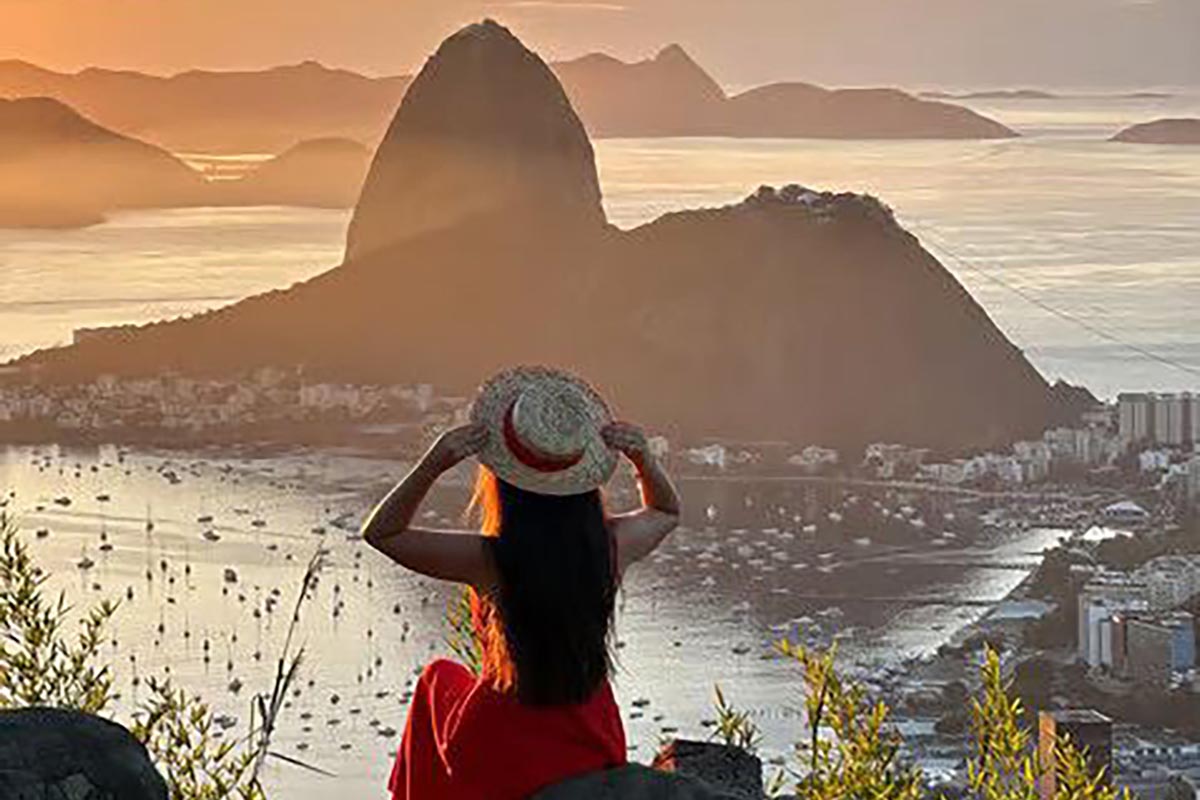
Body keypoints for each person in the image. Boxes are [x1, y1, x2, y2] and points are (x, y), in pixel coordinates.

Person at [362, 365, 681, 800]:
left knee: (438, 678)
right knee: (442, 680)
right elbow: (666, 511)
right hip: (591, 738)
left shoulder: (489, 560)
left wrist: (433, 463)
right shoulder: (609, 547)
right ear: (583, 477)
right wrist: (645, 460)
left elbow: (382, 533)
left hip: (499, 746)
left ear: (504, 482)